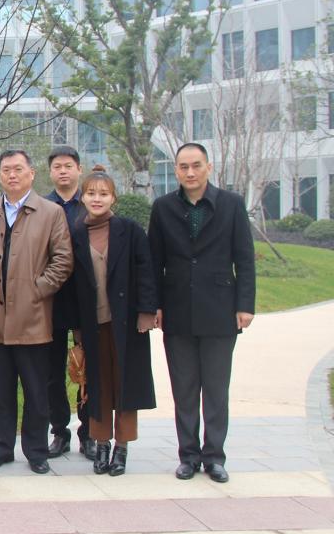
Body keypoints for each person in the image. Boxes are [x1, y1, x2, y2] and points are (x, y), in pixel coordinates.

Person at [148, 143, 255, 484]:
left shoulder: (231, 204)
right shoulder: (163, 207)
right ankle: (189, 456)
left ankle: (214, 457)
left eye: (196, 165)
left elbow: (245, 257)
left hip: (220, 309)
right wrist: (155, 305)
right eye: (183, 167)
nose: (190, 172)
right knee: (184, 389)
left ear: (208, 167)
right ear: (176, 170)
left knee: (216, 389)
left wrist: (245, 304)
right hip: (177, 311)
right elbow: (154, 261)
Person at [0, 149, 73, 474]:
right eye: (6, 170)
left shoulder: (51, 212)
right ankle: (1, 449)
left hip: (34, 319)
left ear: (32, 173)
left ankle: (36, 451)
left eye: (18, 169)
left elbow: (63, 260)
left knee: (36, 391)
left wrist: (37, 290)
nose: (11, 175)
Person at [66, 167, 157, 476]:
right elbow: (71, 285)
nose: (97, 199)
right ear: (82, 197)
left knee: (125, 385)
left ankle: (122, 447)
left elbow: (146, 272)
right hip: (92, 324)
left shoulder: (130, 230)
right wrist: (76, 326)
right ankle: (101, 444)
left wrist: (146, 312)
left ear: (113, 198)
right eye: (91, 193)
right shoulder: (76, 234)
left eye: (103, 194)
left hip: (127, 324)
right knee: (98, 386)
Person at [44, 146, 93, 460]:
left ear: (78, 169)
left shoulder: (91, 204)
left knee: (86, 368)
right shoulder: (41, 206)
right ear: (50, 172)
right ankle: (59, 432)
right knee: (52, 370)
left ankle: (88, 432)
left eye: (68, 166)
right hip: (50, 299)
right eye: (57, 167)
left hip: (85, 299)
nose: (63, 171)